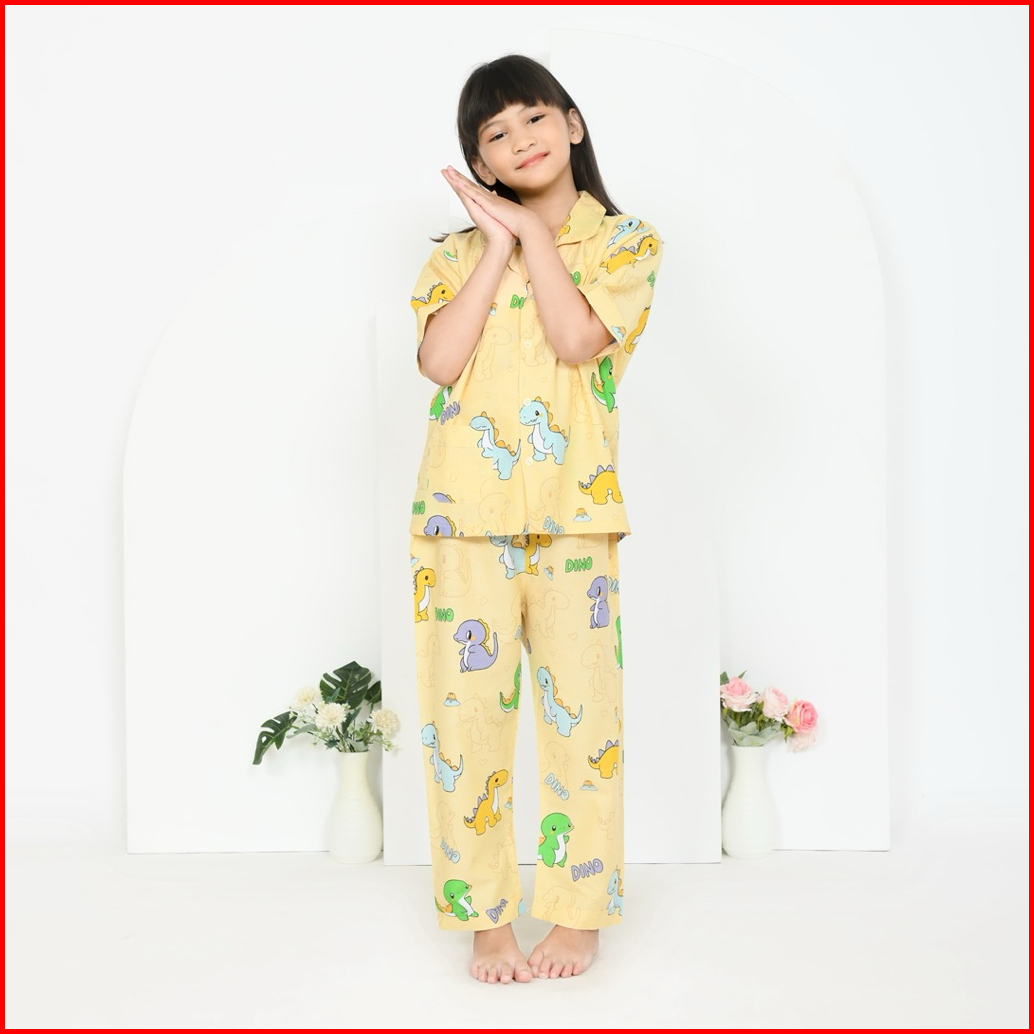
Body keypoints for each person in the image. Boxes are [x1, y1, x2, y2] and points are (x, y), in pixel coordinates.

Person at [408, 54, 662, 984]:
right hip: (459, 522)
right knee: (464, 726)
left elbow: (576, 338)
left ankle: (577, 913)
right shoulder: (454, 254)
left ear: (572, 122)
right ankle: (486, 925)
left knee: (583, 725)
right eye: (495, 134)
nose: (520, 140)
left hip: (574, 517)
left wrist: (533, 237)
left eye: (533, 118)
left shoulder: (627, 243)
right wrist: (497, 246)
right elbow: (439, 363)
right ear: (480, 163)